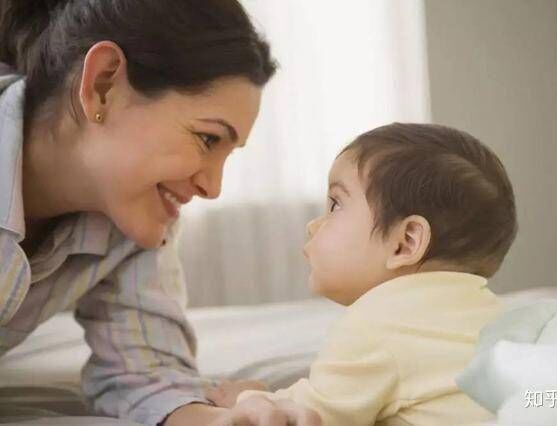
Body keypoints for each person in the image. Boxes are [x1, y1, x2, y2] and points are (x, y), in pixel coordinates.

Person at [0, 0, 320, 425]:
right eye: (207, 139)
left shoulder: (132, 215)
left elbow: (146, 375)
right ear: (103, 84)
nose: (212, 187)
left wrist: (223, 421)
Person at [208, 123, 518, 425]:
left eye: (335, 205)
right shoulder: (496, 316)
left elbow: (310, 415)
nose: (313, 226)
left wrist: (247, 398)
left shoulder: (378, 324)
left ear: (406, 242)